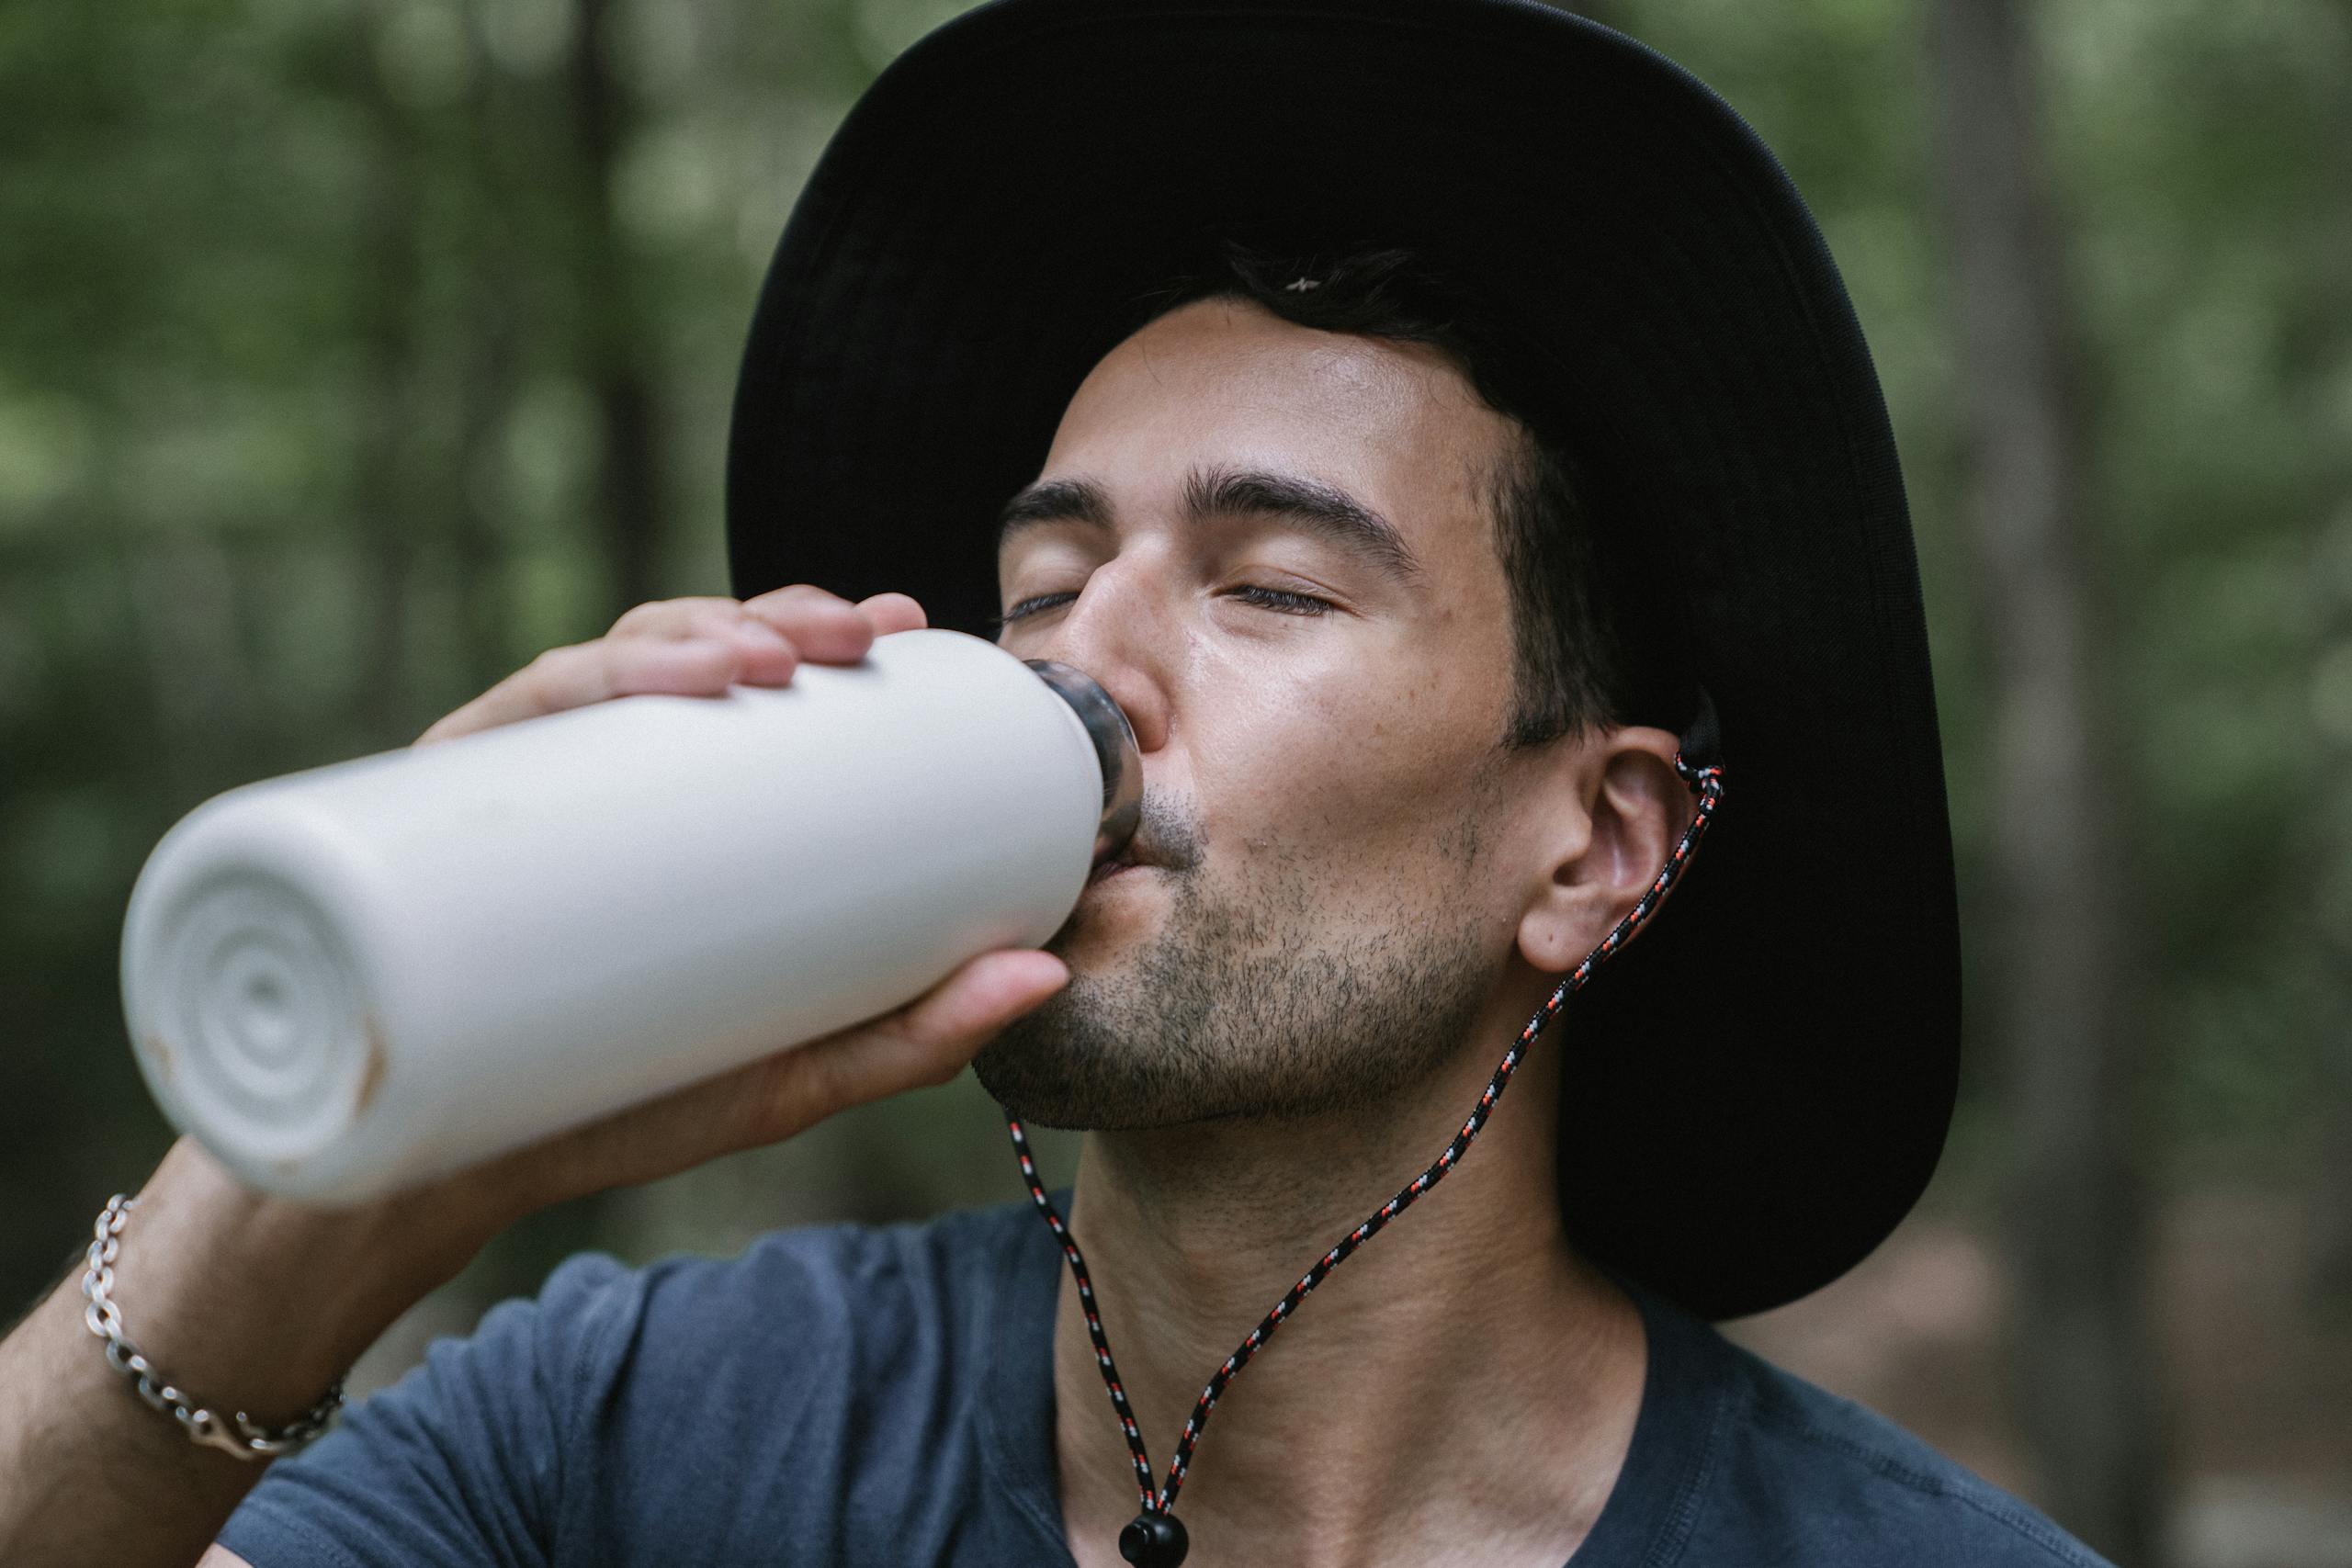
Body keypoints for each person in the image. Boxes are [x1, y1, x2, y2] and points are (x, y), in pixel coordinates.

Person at [0, 2, 2117, 1565]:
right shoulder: (631, 1440)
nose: (1078, 665)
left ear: (1594, 842)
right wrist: (315, 1194)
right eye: (1037, 579)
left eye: (1269, 586)